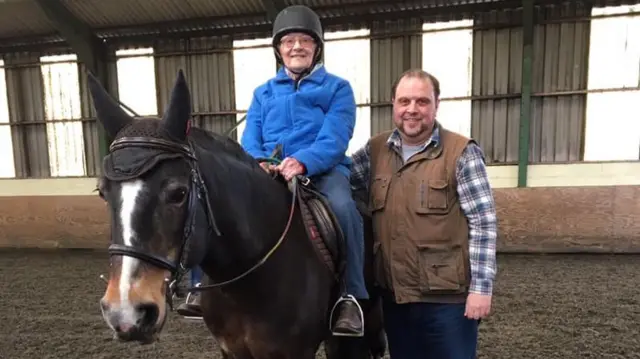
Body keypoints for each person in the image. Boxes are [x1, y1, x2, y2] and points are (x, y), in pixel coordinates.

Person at [179, 5, 368, 337]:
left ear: (316, 47)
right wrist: (258, 161)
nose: (297, 47)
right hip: (268, 171)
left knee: (345, 210)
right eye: (289, 41)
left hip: (322, 173)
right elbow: (250, 136)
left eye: (304, 41)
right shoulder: (263, 92)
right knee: (211, 202)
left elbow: (336, 136)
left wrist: (304, 161)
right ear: (279, 49)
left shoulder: (338, 89)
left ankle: (351, 296)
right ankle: (200, 286)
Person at [349, 69, 498, 358]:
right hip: (396, 300)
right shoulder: (375, 151)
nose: (412, 110)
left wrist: (481, 289)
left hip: (447, 303)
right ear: (393, 104)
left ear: (436, 104)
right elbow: (340, 179)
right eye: (404, 101)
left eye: (422, 101)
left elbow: (484, 222)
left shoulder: (461, 153)